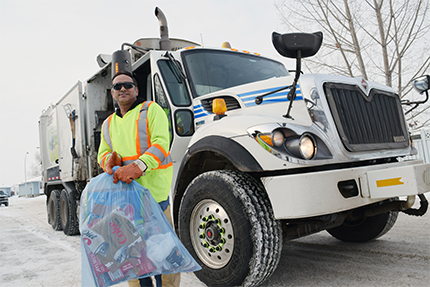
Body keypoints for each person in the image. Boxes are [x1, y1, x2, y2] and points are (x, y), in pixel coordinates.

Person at [97, 70, 180, 287]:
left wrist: (138, 166)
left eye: (127, 85)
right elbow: (102, 153)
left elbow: (162, 143)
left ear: (136, 89)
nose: (122, 88)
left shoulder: (152, 110)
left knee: (165, 259)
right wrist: (108, 162)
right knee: (134, 260)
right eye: (117, 86)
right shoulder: (108, 124)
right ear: (113, 93)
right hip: (125, 203)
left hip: (155, 200)